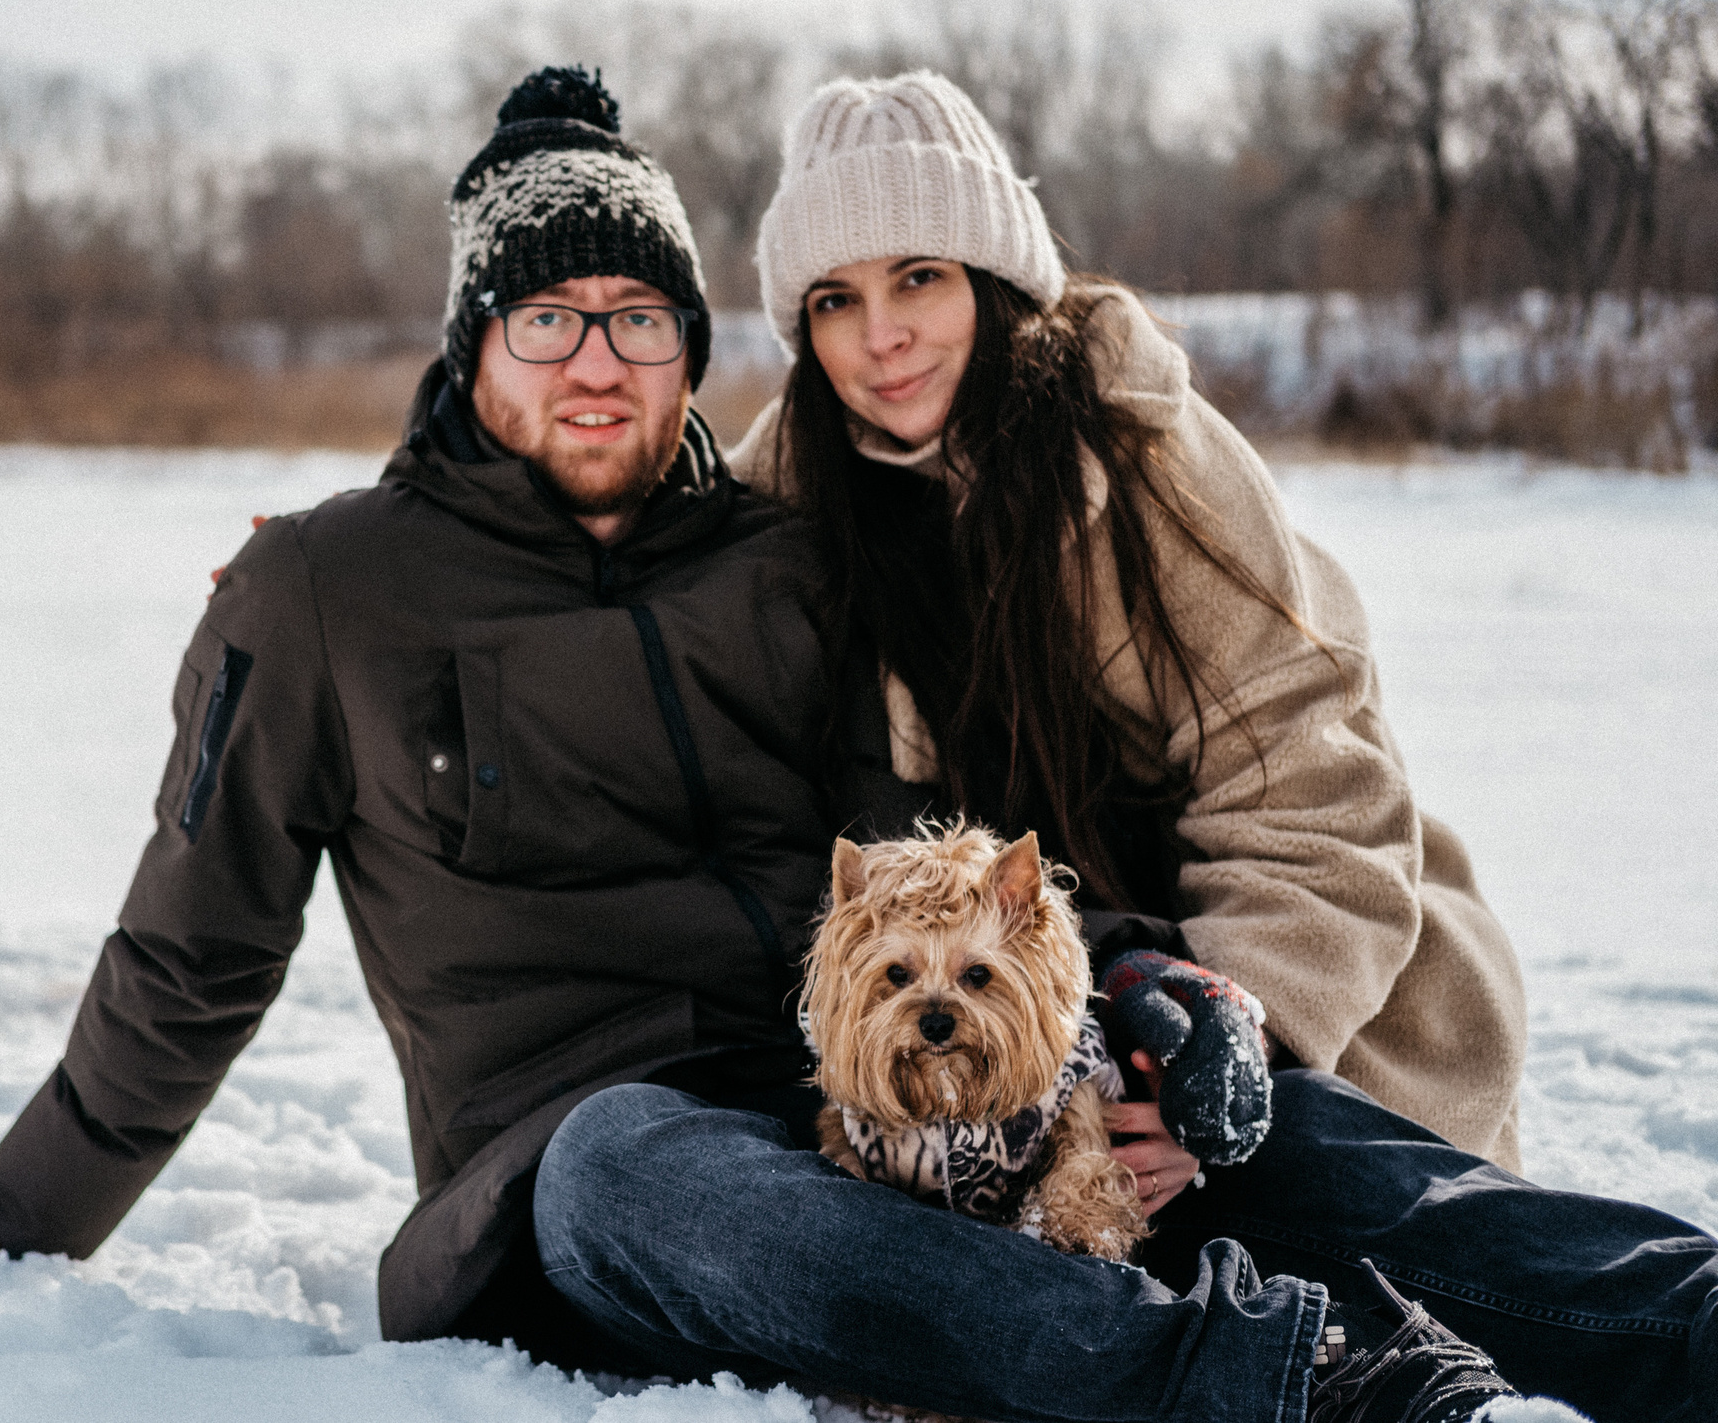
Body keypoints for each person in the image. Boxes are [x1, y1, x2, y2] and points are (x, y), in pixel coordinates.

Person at [0, 71, 1713, 1422]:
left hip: (848, 1098)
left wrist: (1141, 980)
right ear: (473, 348)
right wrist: (11, 1213)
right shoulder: (326, 596)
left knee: (1161, 1097)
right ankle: (1281, 1380)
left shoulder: (781, 551)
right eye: (549, 316)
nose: (599, 360)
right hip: (572, 1167)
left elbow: (927, 831)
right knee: (633, 1161)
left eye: (644, 318)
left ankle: (1670, 1311)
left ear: (695, 349)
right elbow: (194, 952)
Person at [528, 72, 1714, 1420]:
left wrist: (1232, 1025)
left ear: (992, 273)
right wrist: (361, 552)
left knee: (1304, 1162)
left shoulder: (1145, 456)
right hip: (930, 1068)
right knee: (672, 1177)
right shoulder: (783, 502)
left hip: (1202, 994)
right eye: (835, 300)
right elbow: (595, 586)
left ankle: (1688, 1318)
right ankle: (1251, 1364)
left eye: (920, 273)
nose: (883, 334)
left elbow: (1311, 775)